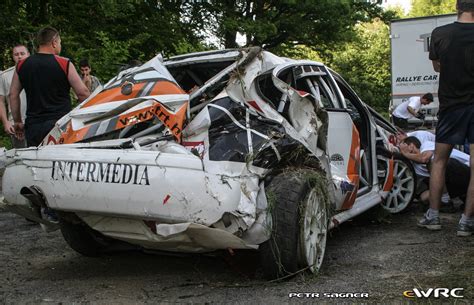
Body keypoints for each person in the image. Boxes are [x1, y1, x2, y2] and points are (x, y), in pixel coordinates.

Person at [422, 0, 474, 237]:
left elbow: (437, 66)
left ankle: (433, 217)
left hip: (451, 106)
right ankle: (466, 221)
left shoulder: (440, 33)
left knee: (439, 159)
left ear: (457, 7)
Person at [9, 26, 90, 147]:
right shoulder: (64, 63)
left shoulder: (22, 65)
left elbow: (13, 95)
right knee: (61, 162)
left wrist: (18, 122)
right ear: (54, 43)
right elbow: (83, 93)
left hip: (34, 126)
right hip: (60, 124)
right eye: (60, 43)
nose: (60, 46)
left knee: (36, 163)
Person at [0, 44, 30, 148]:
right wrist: (5, 122)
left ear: (28, 54)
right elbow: (1, 101)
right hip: (15, 124)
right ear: (13, 57)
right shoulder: (5, 76)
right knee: (20, 156)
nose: (20, 56)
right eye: (16, 54)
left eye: (22, 53)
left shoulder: (36, 71)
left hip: (35, 120)